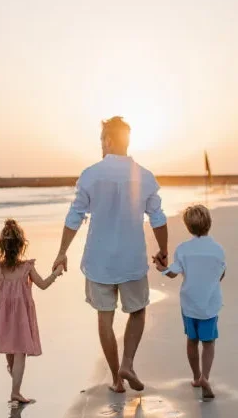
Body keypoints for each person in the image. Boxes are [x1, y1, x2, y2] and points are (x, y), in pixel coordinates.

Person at [53, 116, 168, 393]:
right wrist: (164, 250)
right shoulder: (145, 176)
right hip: (131, 260)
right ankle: (127, 362)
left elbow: (75, 216)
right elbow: (157, 218)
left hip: (99, 261)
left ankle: (117, 380)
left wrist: (62, 252)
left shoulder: (91, 174)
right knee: (137, 311)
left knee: (105, 317)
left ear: (108, 140)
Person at [0, 219, 63, 403]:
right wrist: (56, 273)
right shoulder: (26, 267)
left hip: (2, 315)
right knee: (18, 352)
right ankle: (16, 388)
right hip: (22, 315)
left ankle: (15, 390)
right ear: (21, 246)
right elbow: (43, 285)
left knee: (12, 351)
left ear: (2, 246)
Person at [157, 204, 226, 400]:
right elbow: (221, 274)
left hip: (189, 303)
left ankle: (196, 377)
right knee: (209, 342)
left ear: (188, 227)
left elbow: (171, 273)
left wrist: (160, 267)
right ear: (209, 223)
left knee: (192, 341)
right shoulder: (218, 250)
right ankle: (206, 376)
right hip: (210, 303)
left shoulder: (183, 249)